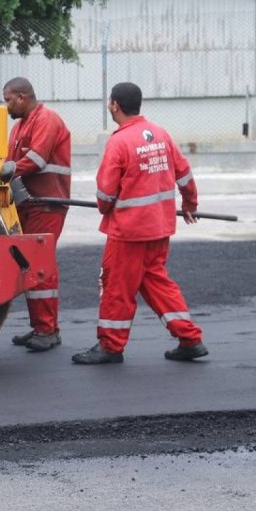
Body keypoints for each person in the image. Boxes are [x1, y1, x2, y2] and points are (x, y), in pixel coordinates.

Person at [72, 82, 209, 365]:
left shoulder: (119, 142)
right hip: (159, 228)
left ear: (114, 105)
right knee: (156, 282)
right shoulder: (161, 134)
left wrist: (105, 208)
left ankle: (110, 346)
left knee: (116, 288)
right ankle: (190, 338)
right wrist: (189, 204)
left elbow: (105, 194)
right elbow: (184, 173)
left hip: (128, 232)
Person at [0, 77, 71, 352]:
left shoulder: (47, 119)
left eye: (8, 100)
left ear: (22, 96)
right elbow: (10, 163)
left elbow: (37, 159)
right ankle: (43, 327)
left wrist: (10, 169)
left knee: (40, 264)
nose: (6, 106)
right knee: (29, 264)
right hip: (30, 204)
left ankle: (46, 330)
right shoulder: (19, 127)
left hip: (47, 203)